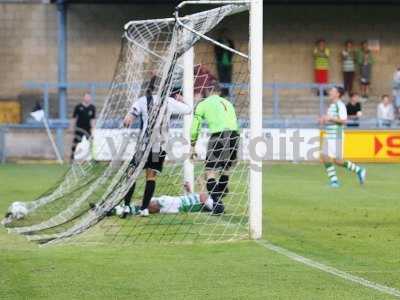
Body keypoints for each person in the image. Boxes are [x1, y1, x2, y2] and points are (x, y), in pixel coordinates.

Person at [122, 78, 192, 217]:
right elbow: (189, 109)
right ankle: (144, 209)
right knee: (151, 176)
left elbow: (131, 114)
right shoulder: (169, 101)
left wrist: (129, 118)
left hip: (144, 144)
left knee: (131, 174)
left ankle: (127, 207)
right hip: (159, 145)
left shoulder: (143, 100)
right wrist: (180, 98)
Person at [190, 83, 240, 214]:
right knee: (225, 169)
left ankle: (217, 205)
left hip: (218, 136)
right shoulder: (228, 103)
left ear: (209, 90)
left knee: (210, 173)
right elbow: (235, 122)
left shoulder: (203, 104)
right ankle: (222, 188)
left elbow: (195, 125)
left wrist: (192, 145)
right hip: (234, 136)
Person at [319, 86, 366, 188]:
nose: (330, 92)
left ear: (338, 94)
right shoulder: (332, 105)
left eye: (332, 91)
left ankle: (359, 170)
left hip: (336, 135)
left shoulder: (340, 105)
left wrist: (330, 118)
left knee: (338, 160)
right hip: (329, 134)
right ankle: (334, 181)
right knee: (324, 156)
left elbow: (344, 120)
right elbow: (331, 120)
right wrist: (323, 119)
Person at [107, 183, 213, 217]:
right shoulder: (205, 196)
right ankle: (119, 209)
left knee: (151, 205)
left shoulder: (211, 200)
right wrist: (189, 190)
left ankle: (118, 210)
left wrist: (202, 186)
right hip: (176, 200)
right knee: (146, 202)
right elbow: (197, 197)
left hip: (178, 205)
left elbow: (204, 200)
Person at [70, 92, 96, 161]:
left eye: (89, 97)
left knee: (91, 142)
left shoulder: (92, 108)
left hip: (88, 128)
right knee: (75, 142)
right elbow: (74, 118)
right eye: (86, 97)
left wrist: (93, 129)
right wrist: (72, 127)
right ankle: (72, 157)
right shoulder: (78, 107)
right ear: (84, 98)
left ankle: (93, 157)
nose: (88, 98)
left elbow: (93, 119)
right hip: (79, 127)